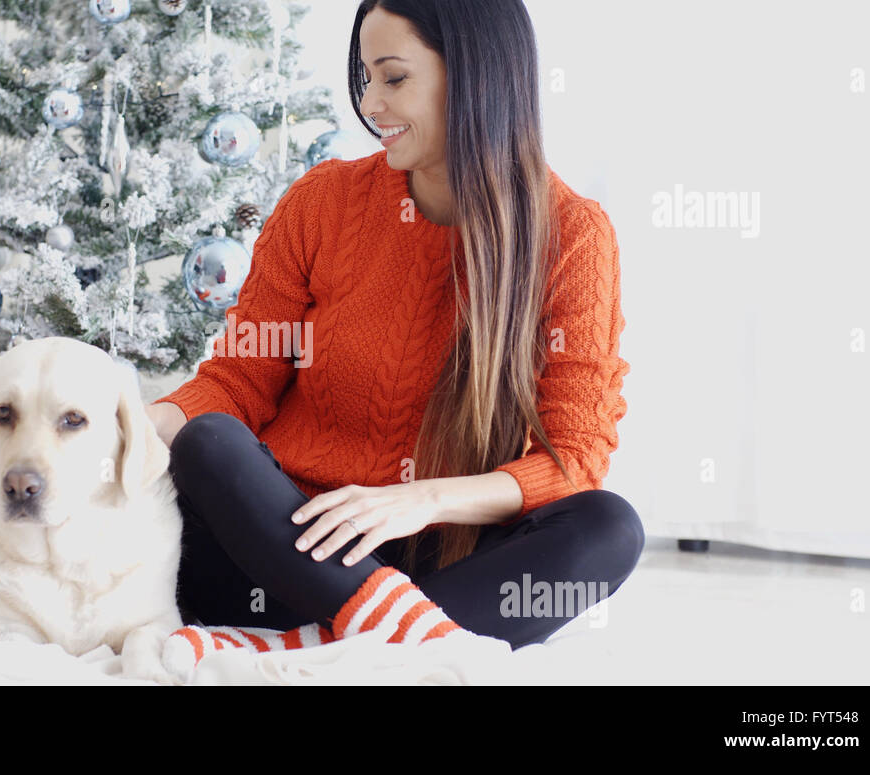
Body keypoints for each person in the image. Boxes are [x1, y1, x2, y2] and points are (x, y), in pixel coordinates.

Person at [145, 0, 644, 667]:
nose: (371, 102)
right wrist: (118, 421)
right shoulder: (322, 202)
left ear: (476, 76)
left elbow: (574, 458)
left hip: (445, 556)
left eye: (394, 78)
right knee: (209, 442)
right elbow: (237, 383)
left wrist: (418, 500)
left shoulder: (572, 235)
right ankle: (402, 647)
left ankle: (327, 647)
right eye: (364, 78)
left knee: (607, 527)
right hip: (287, 551)